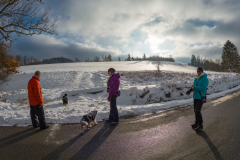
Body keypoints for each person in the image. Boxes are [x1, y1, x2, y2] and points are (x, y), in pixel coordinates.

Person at [186, 67, 209, 131]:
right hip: (195, 97)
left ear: (202, 72)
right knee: (195, 111)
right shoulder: (196, 78)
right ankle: (196, 123)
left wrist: (195, 87)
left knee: (197, 111)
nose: (198, 73)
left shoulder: (205, 79)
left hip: (200, 97)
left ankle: (200, 125)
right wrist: (190, 90)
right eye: (197, 71)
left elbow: (203, 88)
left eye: (199, 71)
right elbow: (193, 86)